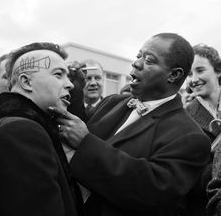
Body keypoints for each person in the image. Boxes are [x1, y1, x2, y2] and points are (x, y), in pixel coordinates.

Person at [51, 33, 211, 216]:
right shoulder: (112, 102)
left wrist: (86, 143)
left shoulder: (191, 137)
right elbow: (72, 132)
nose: (136, 63)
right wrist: (73, 87)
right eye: (138, 56)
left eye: (149, 60)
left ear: (174, 75)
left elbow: (151, 191)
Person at [0, 42, 83, 216]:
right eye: (59, 74)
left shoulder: (9, 125)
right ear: (26, 81)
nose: (70, 84)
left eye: (68, 76)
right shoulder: (21, 132)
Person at [184, 44, 221, 216]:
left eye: (200, 70)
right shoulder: (184, 116)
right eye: (189, 74)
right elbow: (188, 176)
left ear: (218, 71)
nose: (193, 79)